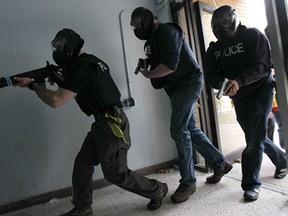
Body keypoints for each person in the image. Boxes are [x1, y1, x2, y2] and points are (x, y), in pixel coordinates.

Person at [13, 28, 168, 216]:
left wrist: (33, 85)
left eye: (61, 47)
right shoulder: (90, 62)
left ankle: (157, 189)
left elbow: (56, 100)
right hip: (102, 124)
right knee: (82, 164)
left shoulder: (82, 67)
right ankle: (83, 209)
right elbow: (75, 87)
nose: (58, 51)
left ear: (71, 46)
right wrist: (47, 81)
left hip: (112, 126)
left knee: (116, 175)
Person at [130, 7, 233, 204]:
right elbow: (161, 61)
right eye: (133, 24)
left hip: (188, 83)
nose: (136, 26)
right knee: (190, 129)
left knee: (178, 129)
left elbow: (170, 65)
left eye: (138, 22)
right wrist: (147, 63)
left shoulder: (167, 30)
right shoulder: (152, 40)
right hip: (176, 87)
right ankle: (220, 163)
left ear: (149, 20)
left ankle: (188, 183)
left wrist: (148, 74)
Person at [205, 5, 287, 201]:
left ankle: (251, 184)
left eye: (226, 19)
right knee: (255, 135)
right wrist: (223, 85)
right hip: (239, 97)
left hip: (261, 91)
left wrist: (238, 81)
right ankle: (283, 161)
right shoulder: (214, 48)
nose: (223, 24)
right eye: (218, 22)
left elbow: (262, 65)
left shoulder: (253, 35)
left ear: (233, 18)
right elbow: (209, 75)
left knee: (253, 139)